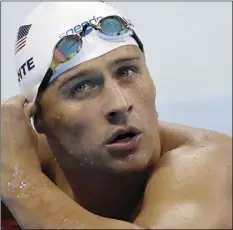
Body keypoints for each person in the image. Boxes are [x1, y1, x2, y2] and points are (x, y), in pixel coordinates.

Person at [1, 2, 232, 229]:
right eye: (82, 87)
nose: (120, 104)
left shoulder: (210, 162)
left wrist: (20, 183)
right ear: (38, 117)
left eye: (126, 72)